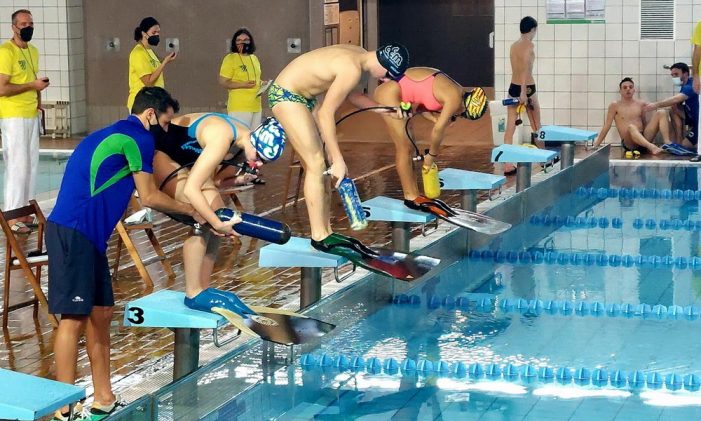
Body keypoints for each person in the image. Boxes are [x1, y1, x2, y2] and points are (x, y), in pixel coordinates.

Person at [47, 87, 201, 421]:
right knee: (73, 319)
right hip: (73, 232)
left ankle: (104, 398)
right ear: (149, 115)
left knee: (101, 314)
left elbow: (127, 192)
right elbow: (149, 196)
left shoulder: (117, 134)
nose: (165, 129)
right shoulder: (138, 139)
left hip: (90, 237)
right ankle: (63, 408)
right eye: (164, 121)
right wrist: (193, 211)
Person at [269, 43, 409, 251]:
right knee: (317, 165)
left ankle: (327, 232)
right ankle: (319, 236)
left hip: (305, 97)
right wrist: (339, 159)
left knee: (322, 167)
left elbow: (353, 96)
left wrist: (388, 110)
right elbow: (327, 113)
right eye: (388, 75)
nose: (385, 80)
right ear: (382, 64)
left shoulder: (360, 55)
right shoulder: (352, 68)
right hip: (287, 95)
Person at [151, 112, 286, 307]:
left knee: (220, 216)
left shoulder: (242, 144)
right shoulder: (222, 137)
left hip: (185, 160)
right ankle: (193, 293)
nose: (257, 164)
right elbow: (191, 189)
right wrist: (214, 222)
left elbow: (215, 182)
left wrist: (238, 180)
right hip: (161, 153)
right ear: (254, 142)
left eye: (264, 162)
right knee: (203, 217)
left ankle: (203, 288)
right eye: (258, 157)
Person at [370, 66, 486, 206]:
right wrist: (431, 155)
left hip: (397, 91)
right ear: (465, 108)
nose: (457, 116)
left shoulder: (456, 90)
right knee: (404, 146)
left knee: (410, 145)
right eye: (461, 115)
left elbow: (421, 102)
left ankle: (415, 195)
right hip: (388, 94)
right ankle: (410, 197)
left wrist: (434, 119)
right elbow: (437, 131)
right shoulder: (454, 99)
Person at [0, 9, 49, 233]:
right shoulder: (6, 52)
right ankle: (11, 217)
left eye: (31, 23)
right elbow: (2, 89)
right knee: (17, 166)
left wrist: (38, 99)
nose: (28, 27)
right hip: (13, 116)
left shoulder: (33, 51)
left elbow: (32, 80)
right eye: (23, 24)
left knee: (30, 164)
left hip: (30, 114)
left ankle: (25, 213)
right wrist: (33, 87)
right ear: (14, 27)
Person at [504, 16, 540, 174]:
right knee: (537, 125)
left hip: (513, 86)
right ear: (532, 29)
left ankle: (507, 164)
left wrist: (518, 90)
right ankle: (545, 159)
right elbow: (525, 68)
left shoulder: (513, 46)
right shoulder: (529, 45)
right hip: (527, 88)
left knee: (510, 127)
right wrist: (524, 92)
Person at [592, 77, 666, 155]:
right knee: (631, 127)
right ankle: (651, 147)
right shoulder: (615, 105)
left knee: (661, 112)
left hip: (643, 139)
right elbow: (607, 125)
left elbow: (644, 122)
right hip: (629, 144)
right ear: (620, 91)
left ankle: (667, 144)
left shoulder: (640, 103)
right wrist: (597, 144)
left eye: (630, 87)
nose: (628, 89)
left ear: (634, 90)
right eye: (625, 87)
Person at [218, 28, 267, 129]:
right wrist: (243, 84)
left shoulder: (254, 58)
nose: (242, 42)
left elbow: (255, 78)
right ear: (234, 43)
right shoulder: (230, 59)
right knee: (241, 139)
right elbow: (223, 82)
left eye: (245, 40)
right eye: (239, 40)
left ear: (250, 42)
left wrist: (262, 83)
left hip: (256, 105)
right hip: (239, 106)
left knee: (253, 138)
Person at [644, 62, 698, 150]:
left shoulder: (691, 86)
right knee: (673, 108)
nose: (674, 77)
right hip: (692, 118)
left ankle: (688, 144)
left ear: (685, 74)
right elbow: (675, 102)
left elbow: (675, 99)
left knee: (686, 146)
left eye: (676, 74)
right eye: (672, 75)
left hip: (699, 124)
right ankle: (678, 140)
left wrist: (655, 105)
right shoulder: (684, 86)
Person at [127, 17, 176, 111]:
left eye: (158, 32)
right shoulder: (138, 53)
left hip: (153, 102)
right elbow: (148, 81)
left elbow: (154, 71)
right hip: (141, 105)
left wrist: (165, 62)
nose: (157, 35)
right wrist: (164, 63)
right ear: (144, 33)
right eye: (154, 33)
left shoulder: (149, 51)